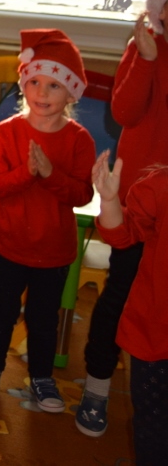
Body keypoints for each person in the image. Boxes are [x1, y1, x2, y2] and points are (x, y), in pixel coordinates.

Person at [0, 29, 96, 411]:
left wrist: (50, 174)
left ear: (71, 93)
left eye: (54, 85)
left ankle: (42, 378)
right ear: (23, 84)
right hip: (8, 242)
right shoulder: (6, 132)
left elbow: (82, 194)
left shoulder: (79, 140)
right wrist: (28, 173)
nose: (42, 92)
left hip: (53, 250)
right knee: (1, 312)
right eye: (35, 82)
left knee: (44, 318)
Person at [76, 0, 168, 437]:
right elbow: (124, 111)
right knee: (122, 293)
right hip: (137, 204)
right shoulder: (144, 46)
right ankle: (96, 388)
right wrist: (148, 57)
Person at [92, 152, 168, 465]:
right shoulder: (161, 185)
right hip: (154, 337)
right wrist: (109, 200)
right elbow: (124, 234)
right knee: (153, 429)